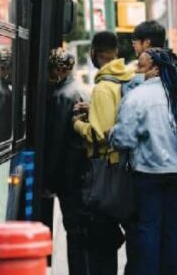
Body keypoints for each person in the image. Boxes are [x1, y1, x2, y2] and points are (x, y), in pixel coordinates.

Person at [110, 48, 177, 275]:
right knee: (172, 227)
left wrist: (111, 133)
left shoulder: (136, 97)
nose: (137, 71)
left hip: (147, 172)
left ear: (155, 69)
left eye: (140, 66)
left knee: (147, 228)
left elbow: (124, 139)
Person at [72, 31, 132, 275]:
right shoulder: (127, 81)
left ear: (94, 54)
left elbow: (98, 135)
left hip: (105, 170)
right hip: (126, 168)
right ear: (116, 53)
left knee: (100, 239)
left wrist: (77, 124)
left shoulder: (102, 88)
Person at [43, 49, 94, 275]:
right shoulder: (83, 90)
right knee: (83, 230)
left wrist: (49, 179)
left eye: (52, 69)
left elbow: (56, 142)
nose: (50, 74)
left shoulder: (62, 96)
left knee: (73, 230)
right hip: (86, 172)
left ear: (61, 69)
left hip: (69, 174)